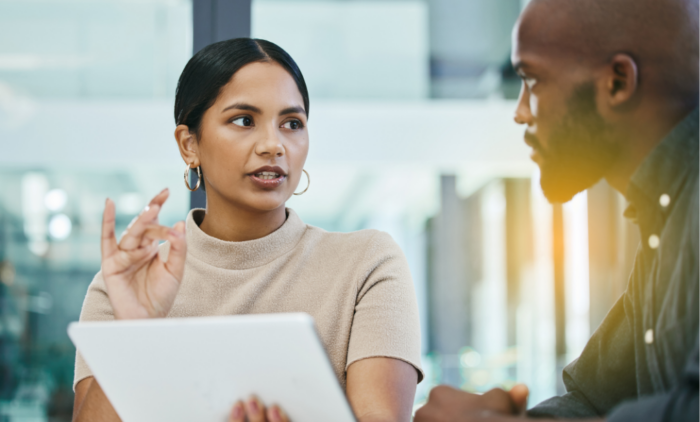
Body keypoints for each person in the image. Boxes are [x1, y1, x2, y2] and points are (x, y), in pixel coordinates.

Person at [71, 38, 423, 422]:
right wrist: (135, 332)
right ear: (189, 144)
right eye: (244, 120)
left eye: (292, 123)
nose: (274, 145)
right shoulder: (125, 285)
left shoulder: (367, 263)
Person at [415, 0, 700, 421]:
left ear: (618, 82)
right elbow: (592, 399)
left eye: (534, 80)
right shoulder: (664, 218)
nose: (521, 111)